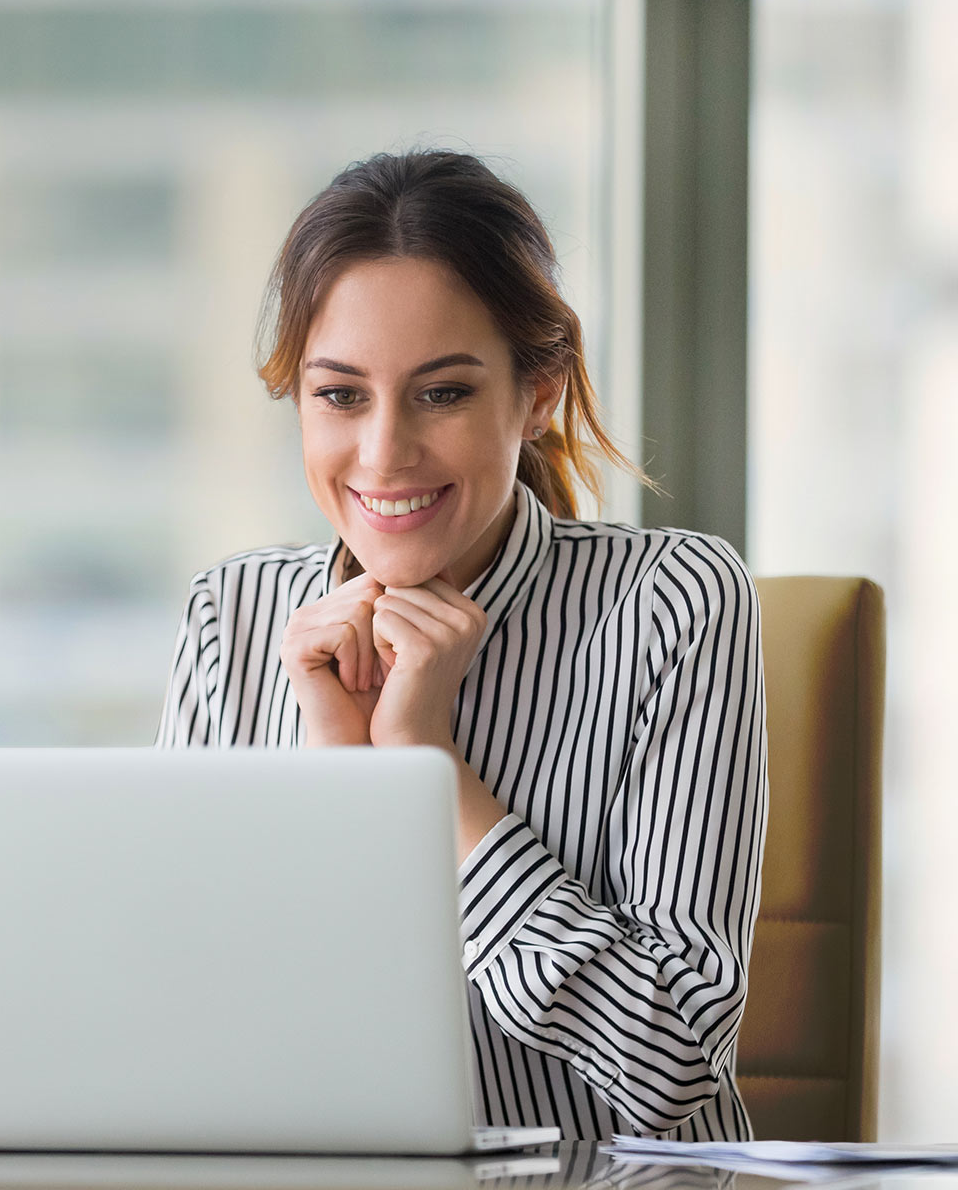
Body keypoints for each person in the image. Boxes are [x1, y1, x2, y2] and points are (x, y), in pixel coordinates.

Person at [157, 149, 767, 1141]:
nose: (384, 451)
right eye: (341, 395)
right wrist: (332, 777)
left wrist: (428, 771)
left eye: (442, 393)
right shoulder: (233, 614)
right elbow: (178, 1028)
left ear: (536, 395)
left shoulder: (673, 601)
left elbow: (673, 1062)